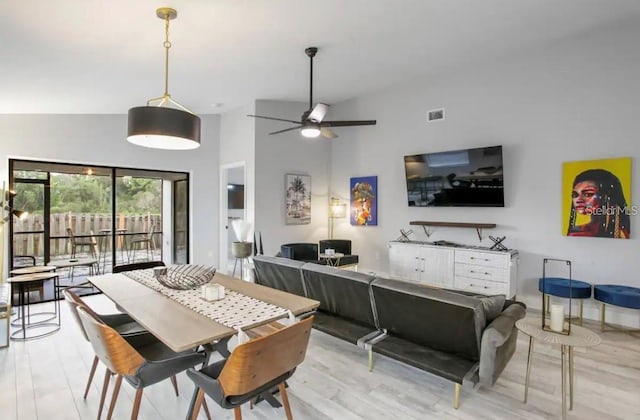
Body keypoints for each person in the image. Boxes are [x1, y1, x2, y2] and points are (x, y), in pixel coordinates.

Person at [567, 169, 630, 238]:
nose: (578, 200)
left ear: (606, 196)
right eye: (575, 195)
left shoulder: (622, 233)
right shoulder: (575, 232)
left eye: (588, 194)